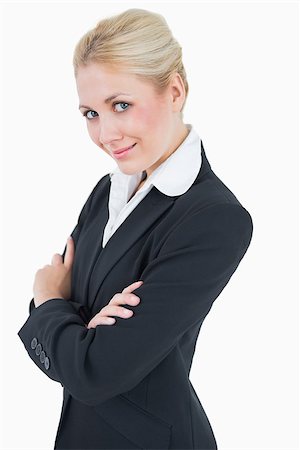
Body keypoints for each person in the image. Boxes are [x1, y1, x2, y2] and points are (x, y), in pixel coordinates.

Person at [17, 8, 253, 450]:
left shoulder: (214, 218)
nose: (105, 133)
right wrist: (82, 332)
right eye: (90, 113)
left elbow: (94, 370)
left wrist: (50, 300)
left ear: (175, 90)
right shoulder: (107, 191)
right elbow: (77, 348)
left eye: (120, 105)